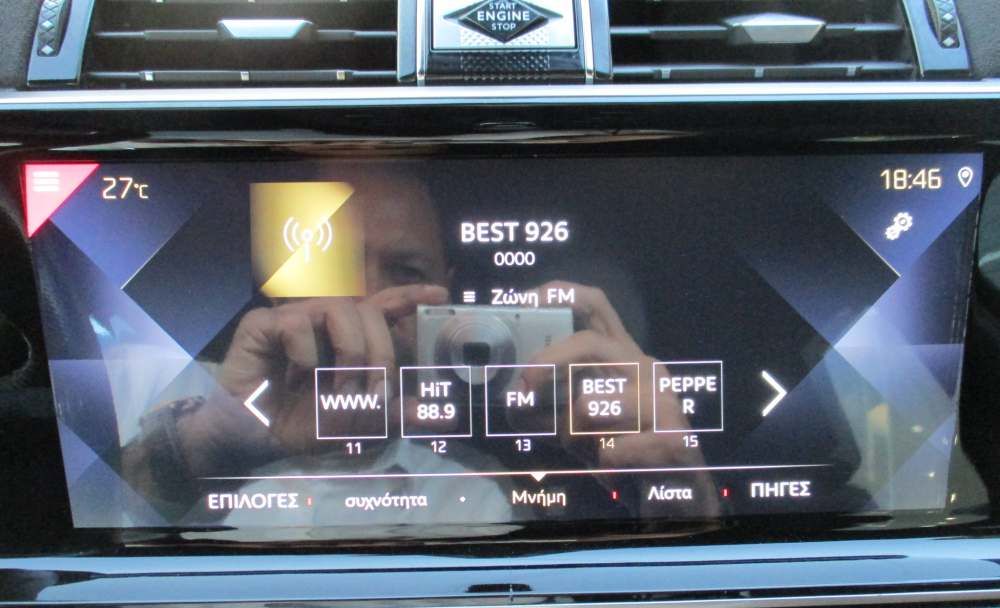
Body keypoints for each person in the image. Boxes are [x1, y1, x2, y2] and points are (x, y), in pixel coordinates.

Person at [122, 168, 717, 532]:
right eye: (333, 262)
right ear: (280, 278)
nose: (367, 298)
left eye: (405, 271)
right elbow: (91, 532)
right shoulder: (140, 380)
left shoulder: (480, 490)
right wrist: (208, 440)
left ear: (443, 298)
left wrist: (676, 502)